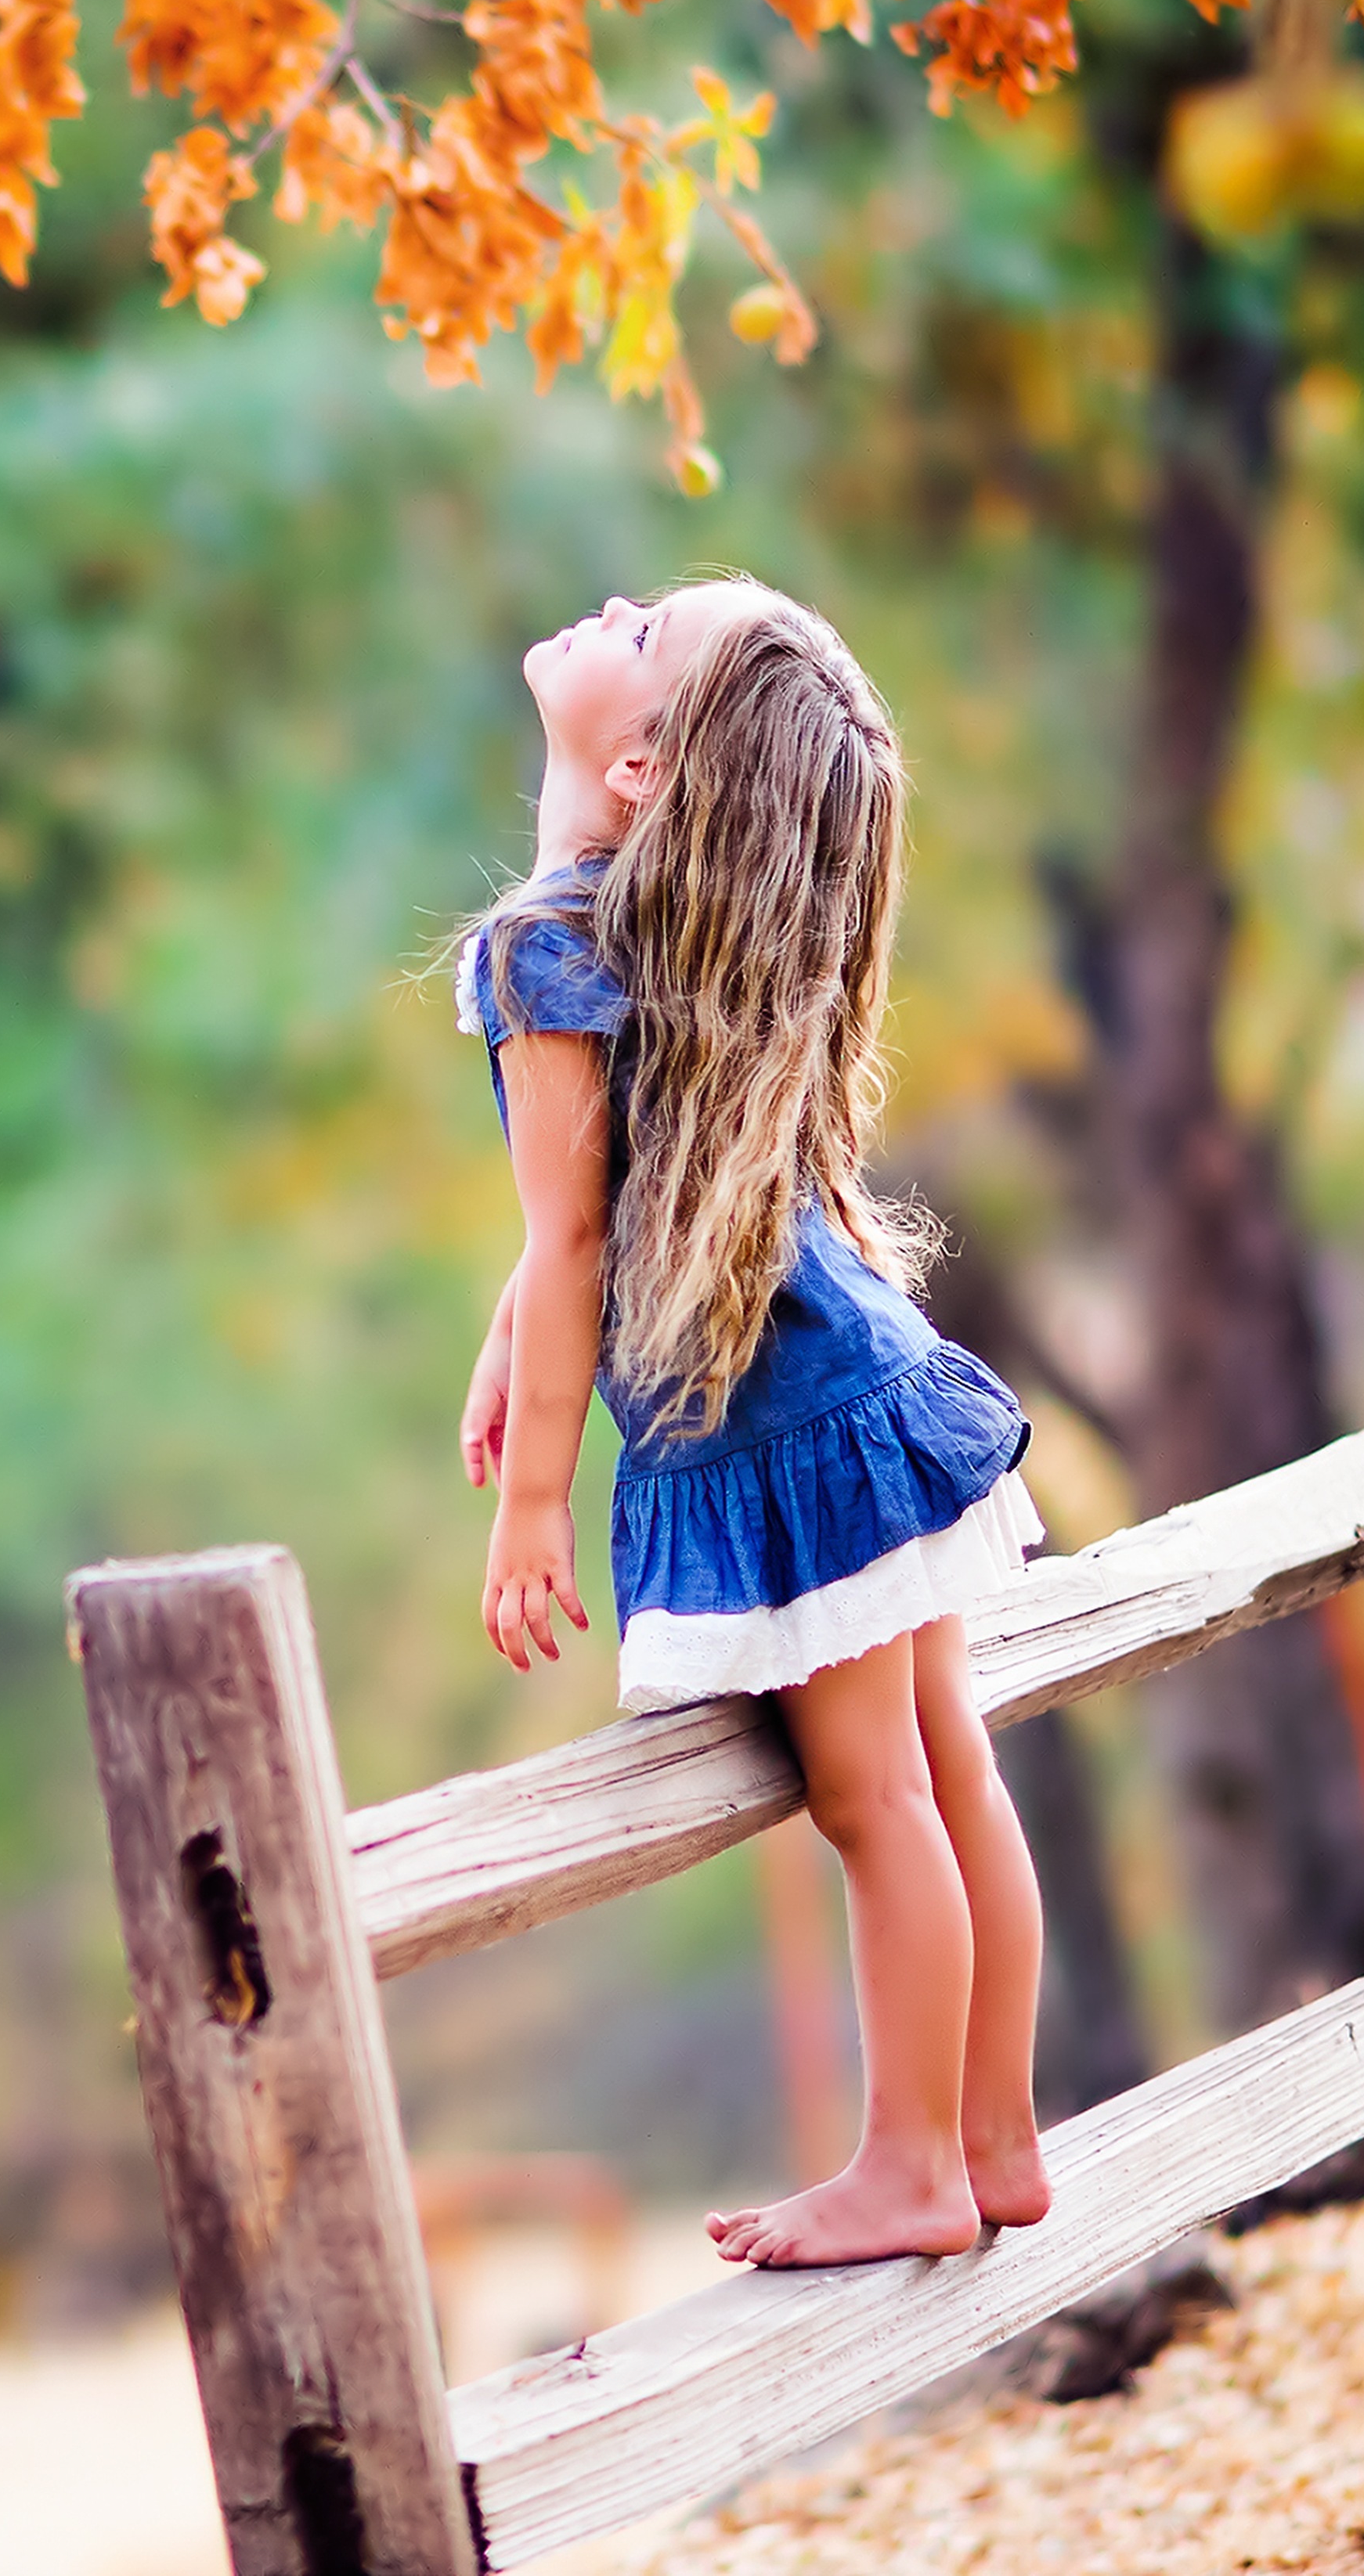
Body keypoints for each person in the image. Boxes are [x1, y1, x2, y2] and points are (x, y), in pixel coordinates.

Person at [450, 578, 1053, 2269]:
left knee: (873, 1800)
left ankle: (913, 2162)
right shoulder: (658, 925)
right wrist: (513, 1335)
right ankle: (994, 2134)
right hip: (858, 1378)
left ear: (637, 765)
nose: (614, 602)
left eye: (648, 630)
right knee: (947, 1769)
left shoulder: (543, 950)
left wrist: (534, 1502)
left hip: (783, 1412)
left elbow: (573, 1235)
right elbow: (599, 1207)